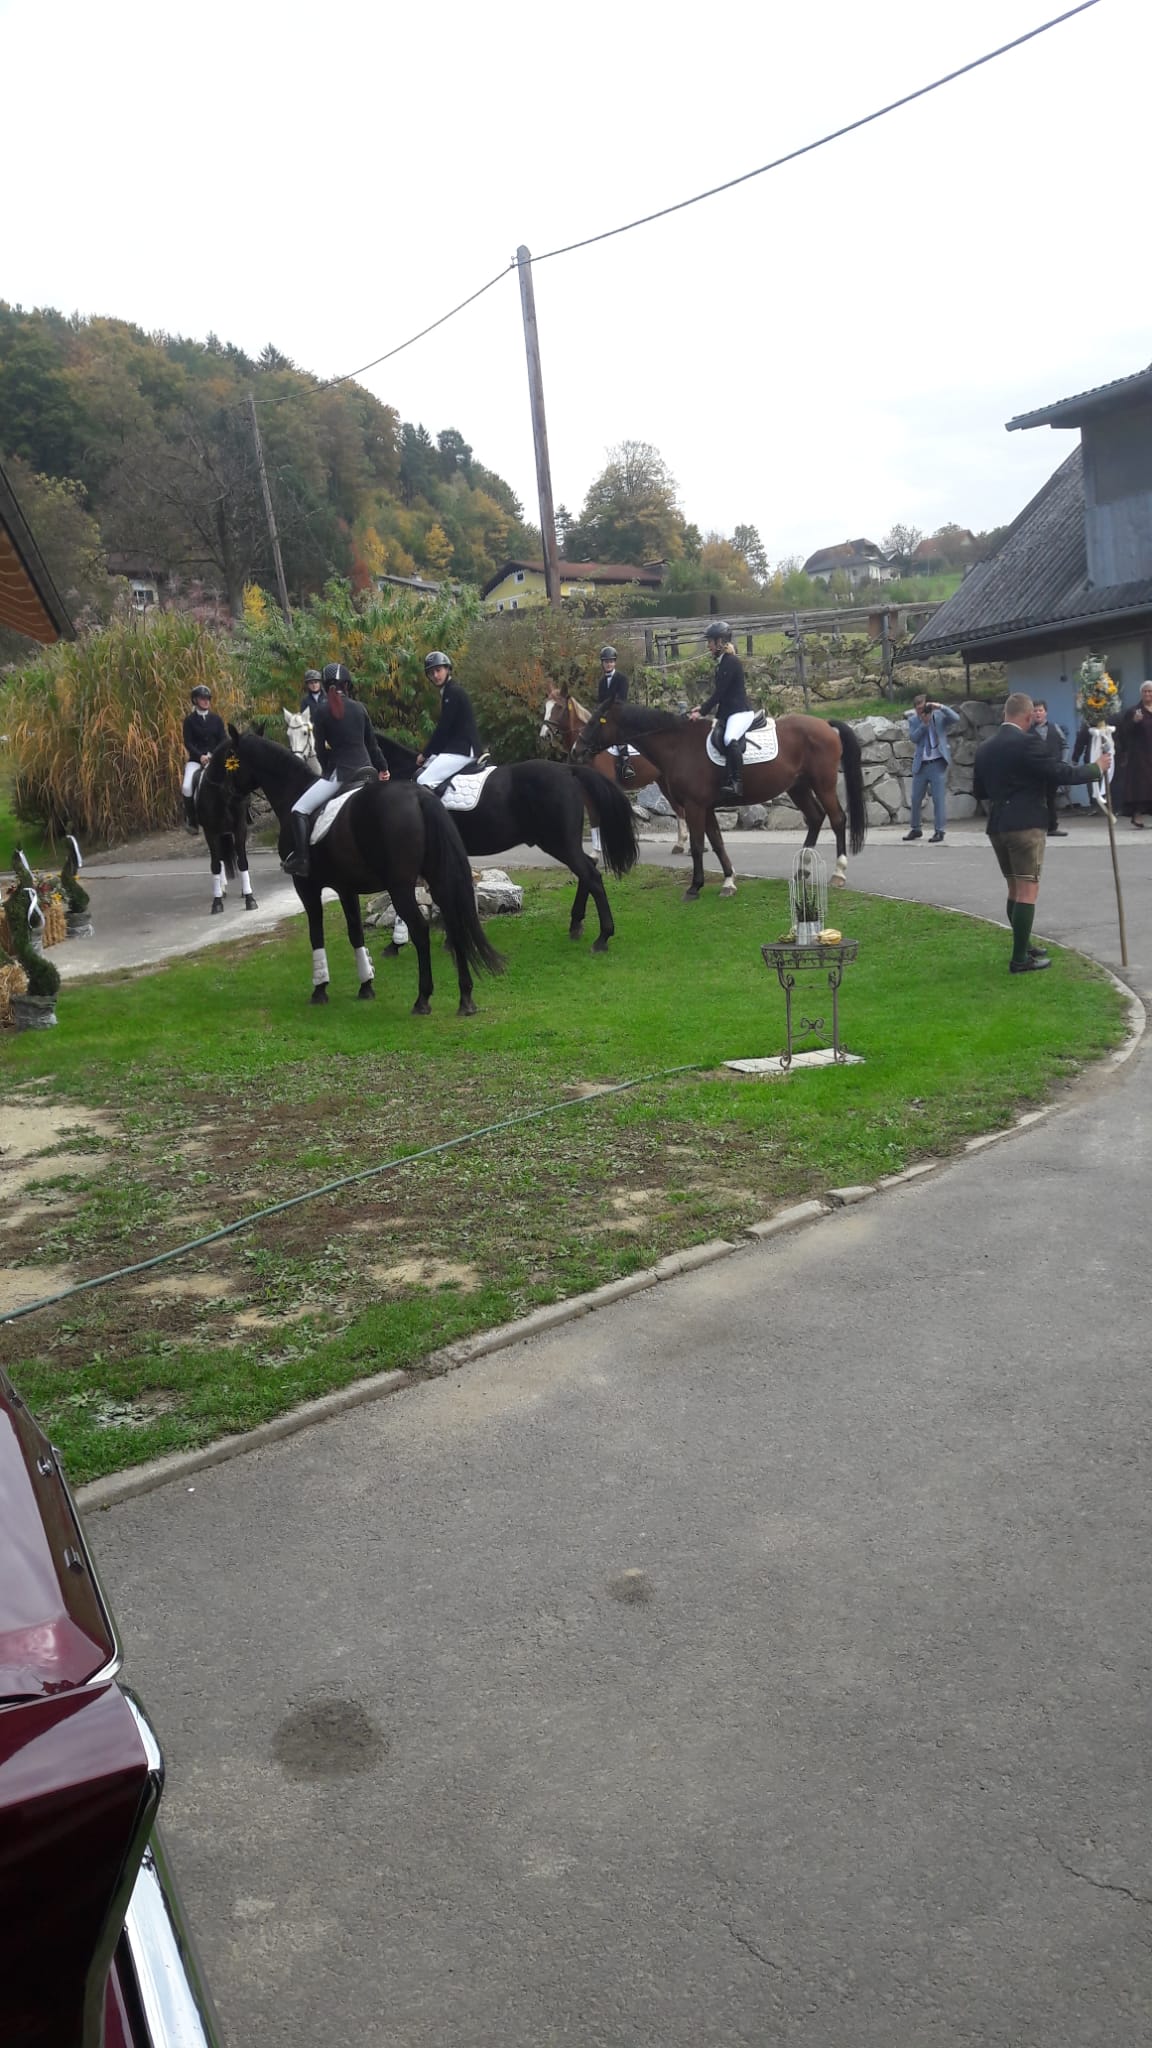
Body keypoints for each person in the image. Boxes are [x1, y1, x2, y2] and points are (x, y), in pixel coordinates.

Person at [972, 691, 1109, 974]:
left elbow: (980, 791)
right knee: (1027, 891)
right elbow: (1060, 773)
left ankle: (1024, 945)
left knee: (1014, 889)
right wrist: (1095, 769)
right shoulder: (1029, 742)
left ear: (1005, 714)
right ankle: (1020, 959)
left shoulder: (985, 747)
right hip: (1025, 825)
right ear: (1027, 717)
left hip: (997, 825)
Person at [282, 663, 389, 878]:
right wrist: (383, 768)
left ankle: (302, 860)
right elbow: (372, 745)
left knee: (299, 809)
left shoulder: (321, 712)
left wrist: (327, 770)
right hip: (367, 769)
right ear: (347, 685)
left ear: (325, 686)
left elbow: (320, 751)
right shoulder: (359, 708)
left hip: (343, 774)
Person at [689, 622, 754, 800]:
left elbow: (720, 693)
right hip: (729, 712)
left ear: (720, 642)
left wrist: (702, 712)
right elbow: (720, 694)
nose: (708, 646)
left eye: (710, 642)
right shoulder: (723, 662)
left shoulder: (730, 662)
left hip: (740, 712)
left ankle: (736, 782)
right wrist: (702, 708)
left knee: (729, 738)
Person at [416, 651, 480, 789]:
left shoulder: (453, 692)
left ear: (447, 669)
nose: (435, 675)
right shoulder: (448, 691)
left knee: (422, 781)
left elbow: (443, 728)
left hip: (463, 749)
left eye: (438, 670)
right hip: (456, 747)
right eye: (431, 673)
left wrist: (425, 754)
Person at [903, 692, 960, 843]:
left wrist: (940, 707)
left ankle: (939, 831)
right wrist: (924, 724)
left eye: (923, 708)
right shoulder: (914, 720)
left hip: (937, 763)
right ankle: (916, 828)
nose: (921, 712)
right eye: (918, 710)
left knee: (938, 799)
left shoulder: (939, 716)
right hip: (921, 764)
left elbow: (956, 718)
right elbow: (913, 738)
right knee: (915, 799)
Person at [181, 683, 227, 832]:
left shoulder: (216, 719)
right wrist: (200, 756)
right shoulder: (189, 721)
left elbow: (223, 739)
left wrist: (214, 754)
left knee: (236, 768)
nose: (206, 701)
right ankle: (192, 822)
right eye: (202, 698)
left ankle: (246, 812)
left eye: (208, 698)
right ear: (195, 700)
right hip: (196, 760)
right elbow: (188, 742)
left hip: (217, 758)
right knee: (186, 787)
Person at [1114, 681, 1152, 828]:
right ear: (1141, 694)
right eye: (1145, 691)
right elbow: (1124, 732)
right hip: (1140, 755)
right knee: (1141, 786)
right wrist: (1134, 722)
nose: (1148, 694)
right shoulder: (1134, 711)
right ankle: (1137, 815)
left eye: (1150, 691)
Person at [596, 644, 634, 786]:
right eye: (606, 662)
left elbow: (621, 700)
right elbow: (600, 701)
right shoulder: (601, 682)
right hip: (605, 716)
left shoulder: (622, 679)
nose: (609, 664)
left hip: (619, 714)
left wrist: (609, 713)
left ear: (615, 663)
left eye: (611, 661)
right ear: (603, 663)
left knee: (619, 732)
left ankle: (626, 763)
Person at [1031, 699, 1069, 835]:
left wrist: (1063, 762)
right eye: (1035, 710)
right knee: (1036, 799)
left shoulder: (1055, 728)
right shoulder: (1027, 731)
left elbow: (1065, 746)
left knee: (1050, 798)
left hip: (1053, 769)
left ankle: (1052, 827)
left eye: (1040, 710)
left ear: (1045, 712)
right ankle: (1037, 826)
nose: (1038, 713)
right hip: (1035, 771)